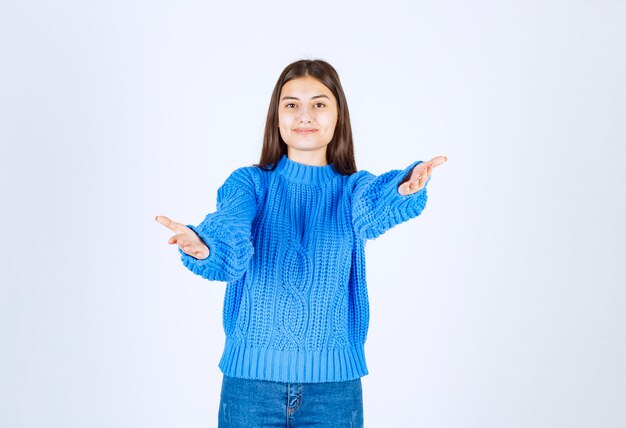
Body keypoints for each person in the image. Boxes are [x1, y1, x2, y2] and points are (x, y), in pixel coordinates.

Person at [156, 59, 447, 427]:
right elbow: (230, 231)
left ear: (338, 116)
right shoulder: (250, 184)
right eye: (291, 104)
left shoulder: (351, 189)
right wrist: (206, 247)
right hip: (250, 386)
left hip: (334, 391)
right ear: (276, 118)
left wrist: (402, 189)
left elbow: (374, 207)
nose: (304, 115)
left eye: (319, 104)